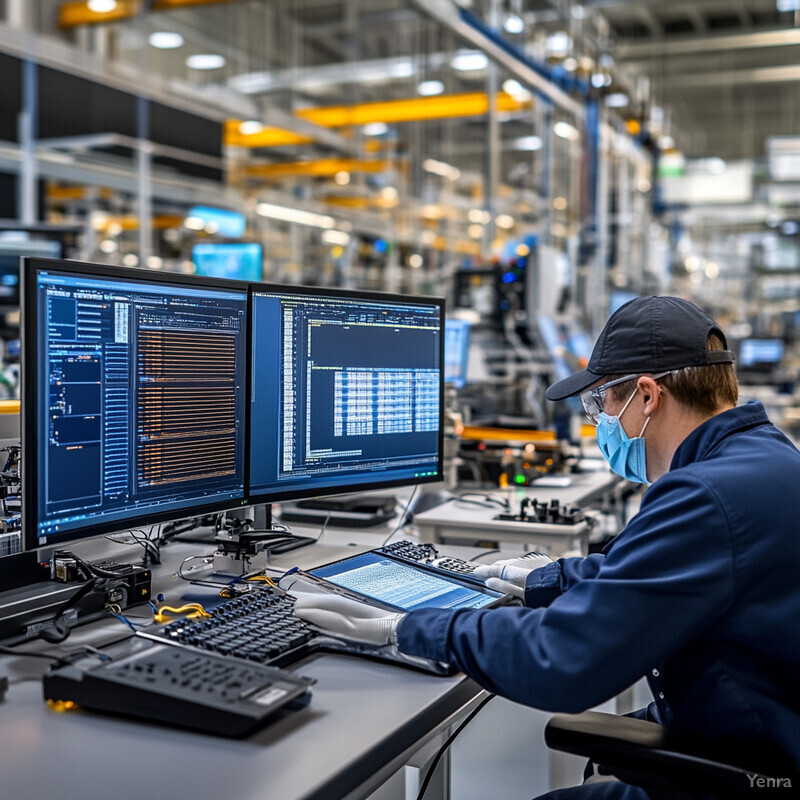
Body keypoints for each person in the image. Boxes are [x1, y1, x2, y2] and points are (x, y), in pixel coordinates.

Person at [288, 296, 800, 798]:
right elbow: (658, 573)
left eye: (601, 402)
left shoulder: (705, 495)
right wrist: (545, 581)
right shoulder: (761, 459)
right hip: (753, 740)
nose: (599, 421)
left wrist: (407, 627)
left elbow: (562, 659)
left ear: (647, 396)